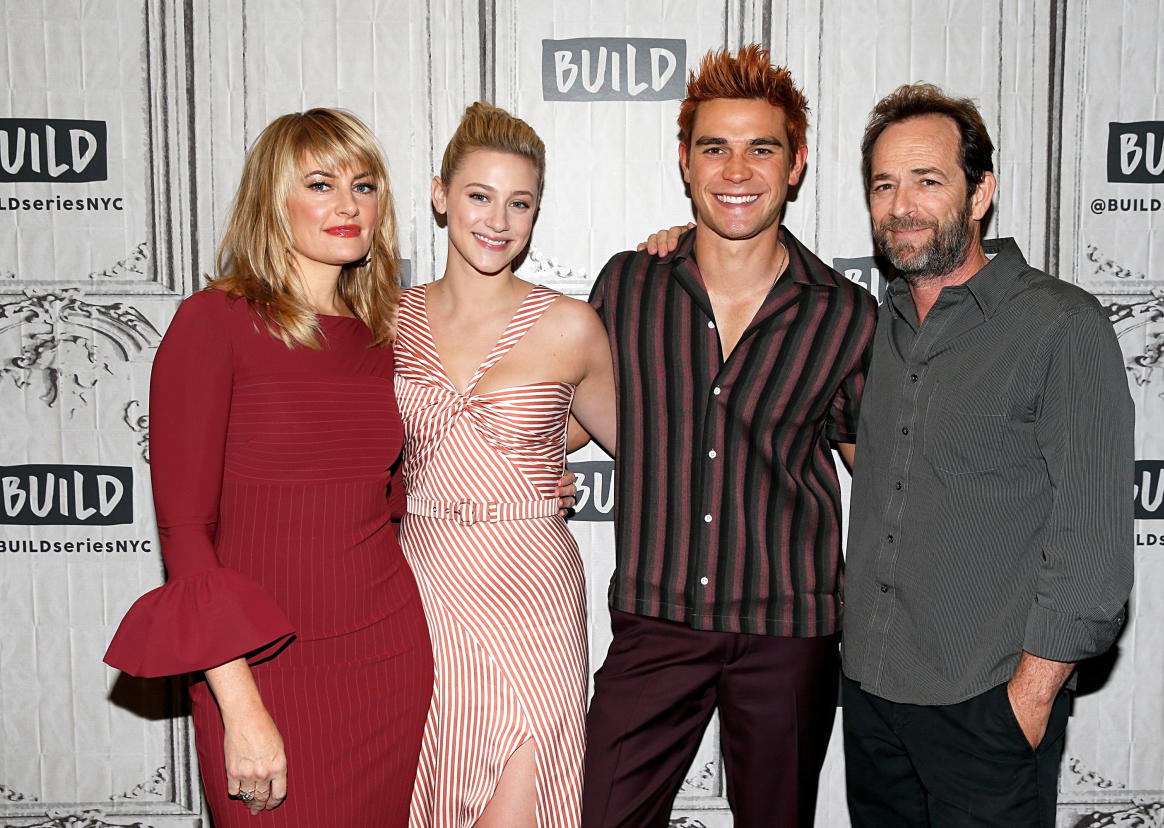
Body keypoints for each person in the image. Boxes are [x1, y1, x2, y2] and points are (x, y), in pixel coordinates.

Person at [104, 108, 434, 826]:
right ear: (271, 201)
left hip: (386, 654)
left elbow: (395, 491)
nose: (349, 205)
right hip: (261, 670)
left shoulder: (383, 336)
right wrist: (240, 707)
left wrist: (537, 470)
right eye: (320, 184)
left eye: (365, 185)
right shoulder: (213, 323)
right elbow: (187, 535)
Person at [583, 46, 877, 828]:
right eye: (715, 147)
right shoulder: (628, 284)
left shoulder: (845, 314)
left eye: (761, 148)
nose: (736, 170)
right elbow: (565, 408)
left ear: (797, 163)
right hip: (656, 618)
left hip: (790, 631)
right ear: (685, 162)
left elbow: (876, 469)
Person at [839, 83, 1134, 827]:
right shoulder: (871, 328)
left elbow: (1093, 547)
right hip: (872, 696)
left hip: (987, 703)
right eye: (884, 184)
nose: (901, 204)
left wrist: (1028, 700)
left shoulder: (1061, 325)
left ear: (980, 194)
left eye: (927, 180)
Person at [394, 102, 616, 828]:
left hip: (532, 587)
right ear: (440, 196)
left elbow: (640, 443)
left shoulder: (570, 324)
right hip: (426, 584)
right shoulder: (384, 319)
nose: (498, 220)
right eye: (479, 196)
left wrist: (541, 456)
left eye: (519, 203)